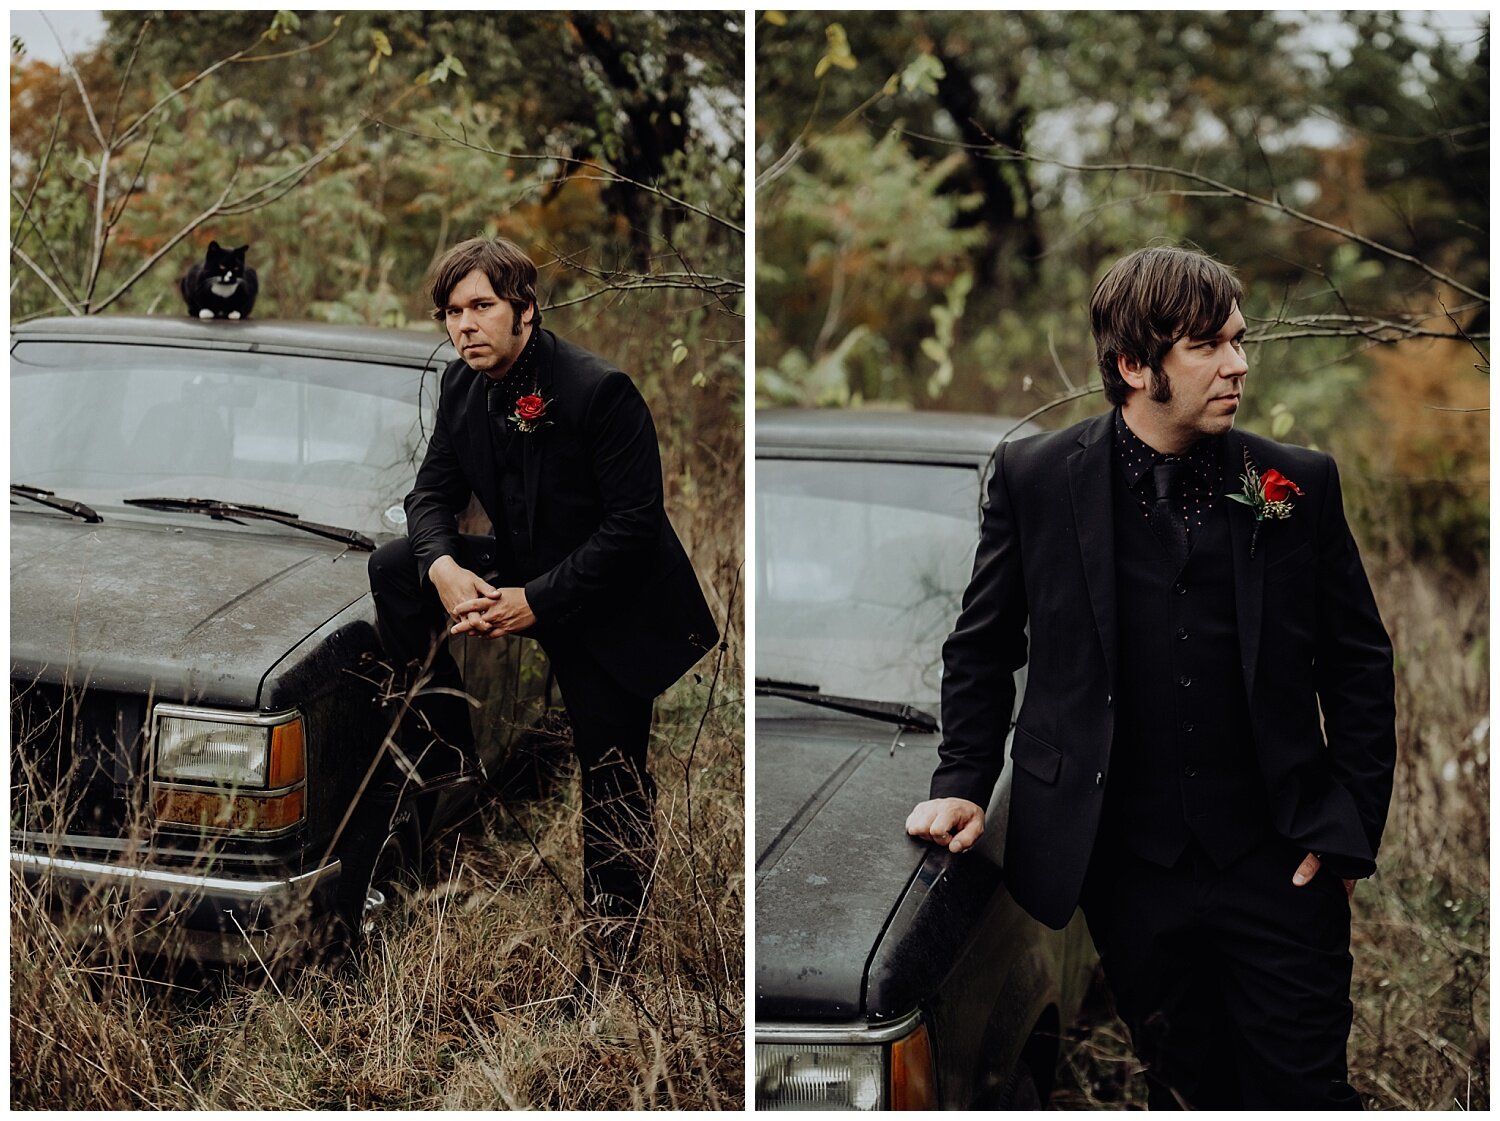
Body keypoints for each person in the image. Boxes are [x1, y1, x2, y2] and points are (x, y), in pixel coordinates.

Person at [905, 246, 1396, 1108]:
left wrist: (1351, 821)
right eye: (1209, 346)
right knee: (1187, 1083)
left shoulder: (1291, 484)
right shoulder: (1037, 480)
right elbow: (983, 645)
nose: (1239, 364)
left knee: (1306, 1089)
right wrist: (962, 780)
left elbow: (1357, 659)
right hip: (1128, 870)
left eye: (1240, 341)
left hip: (1279, 861)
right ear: (1135, 365)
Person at [368, 236, 718, 972]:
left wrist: (536, 603)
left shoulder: (600, 390)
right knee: (396, 566)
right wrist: (442, 567)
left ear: (526, 308)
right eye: (451, 311)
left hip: (607, 595)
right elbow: (430, 494)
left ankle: (614, 947)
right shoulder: (462, 387)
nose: (464, 325)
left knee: (613, 774)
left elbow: (632, 528)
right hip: (521, 568)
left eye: (481, 306)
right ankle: (446, 751)